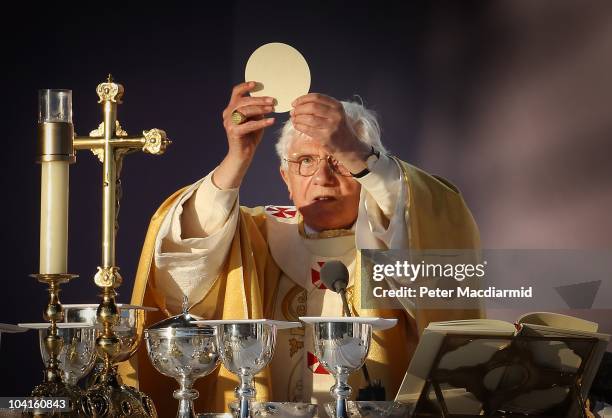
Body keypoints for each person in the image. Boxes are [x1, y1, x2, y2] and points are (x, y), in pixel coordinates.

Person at [119, 82, 482, 415]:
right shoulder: (252, 235)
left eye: (339, 160)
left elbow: (434, 224)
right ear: (285, 178)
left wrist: (355, 149)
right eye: (305, 161)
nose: (323, 178)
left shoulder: (394, 235)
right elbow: (178, 275)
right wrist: (236, 161)